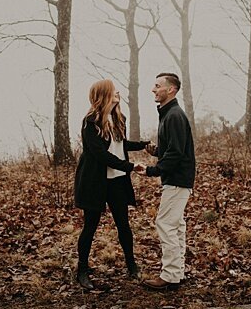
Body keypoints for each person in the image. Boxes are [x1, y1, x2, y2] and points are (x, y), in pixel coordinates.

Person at [72, 79, 148, 290]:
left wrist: (144, 145)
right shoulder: (90, 122)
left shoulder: (119, 117)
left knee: (123, 224)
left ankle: (132, 266)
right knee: (90, 226)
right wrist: (130, 166)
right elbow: (101, 155)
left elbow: (120, 144)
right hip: (94, 181)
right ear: (103, 95)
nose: (117, 93)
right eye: (113, 91)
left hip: (117, 181)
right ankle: (82, 271)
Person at [142, 72, 195, 291]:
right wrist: (158, 151)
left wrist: (153, 170)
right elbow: (173, 148)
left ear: (170, 90)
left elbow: (176, 154)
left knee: (165, 224)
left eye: (157, 86)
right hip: (177, 180)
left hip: (177, 180)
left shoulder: (173, 115)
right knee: (176, 226)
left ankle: (170, 275)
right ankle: (177, 272)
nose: (153, 89)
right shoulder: (168, 113)